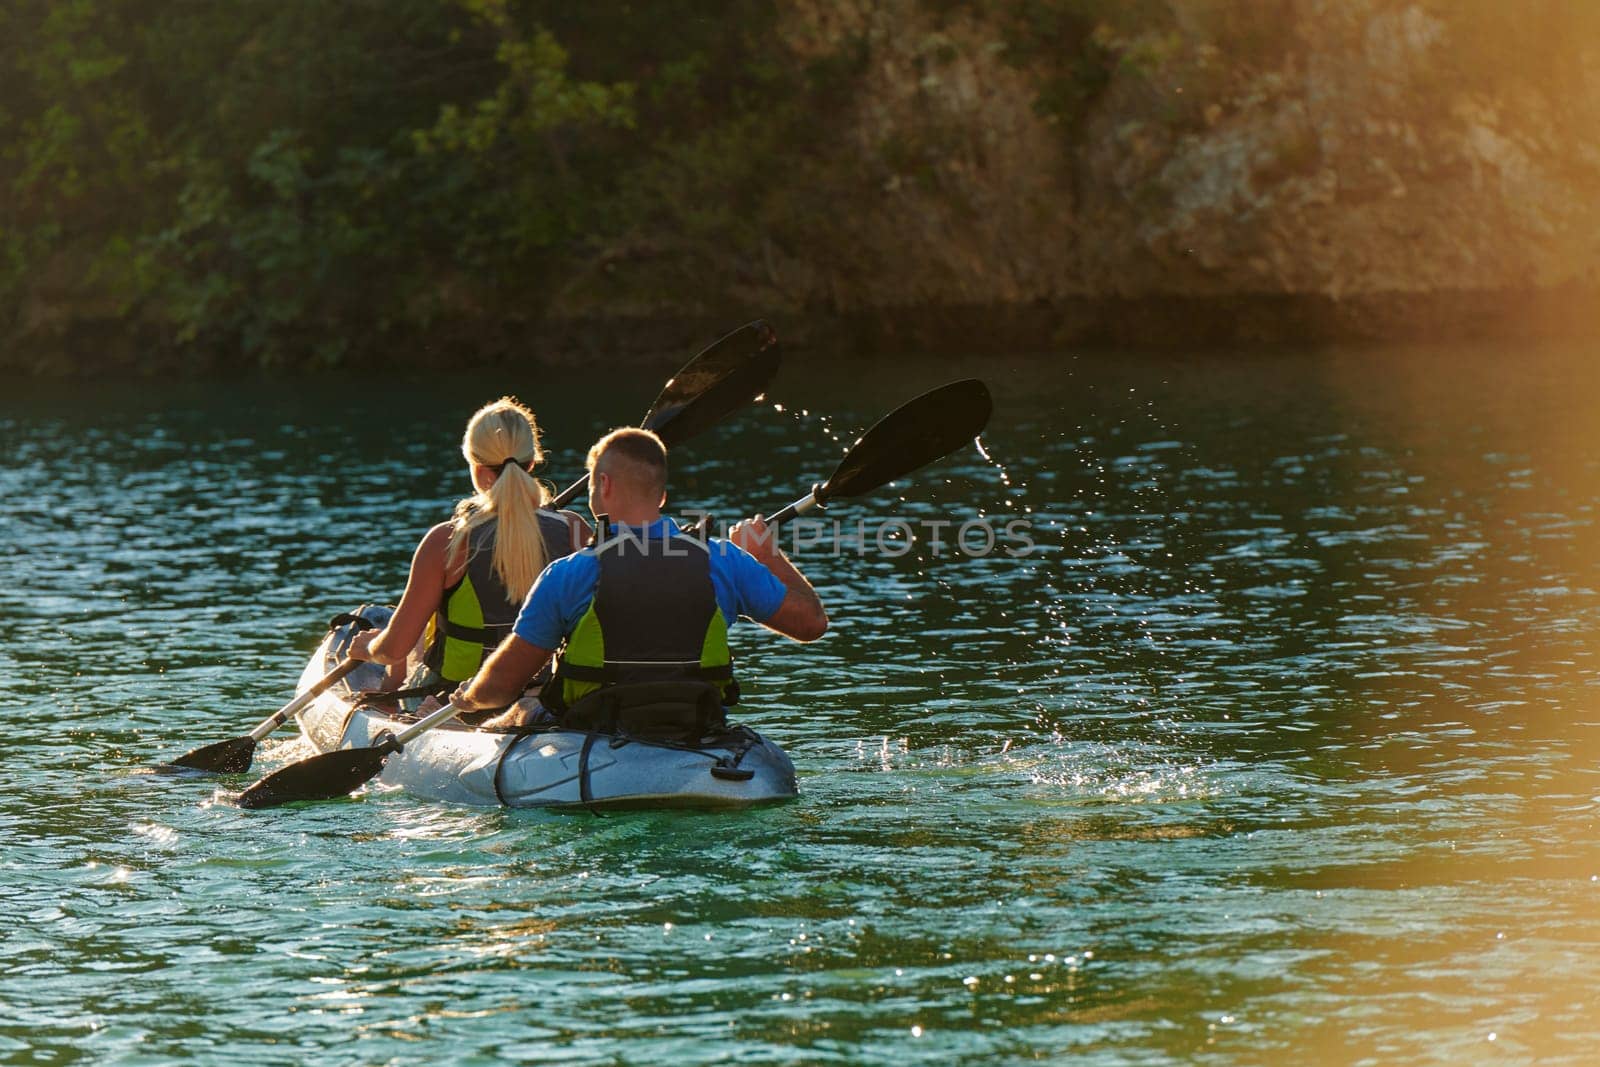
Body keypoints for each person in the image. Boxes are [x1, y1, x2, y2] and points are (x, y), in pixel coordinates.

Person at [447, 426, 827, 727]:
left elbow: (501, 686)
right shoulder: (726, 561)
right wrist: (769, 555)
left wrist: (468, 698)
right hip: (696, 726)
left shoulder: (571, 573)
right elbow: (812, 624)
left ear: (605, 486)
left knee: (518, 711)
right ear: (661, 496)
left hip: (594, 731)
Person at [347, 397, 591, 691]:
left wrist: (368, 647)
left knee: (418, 642)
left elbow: (394, 650)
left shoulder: (447, 540)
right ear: (532, 462)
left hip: (451, 698)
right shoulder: (576, 531)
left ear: (475, 465)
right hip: (547, 697)